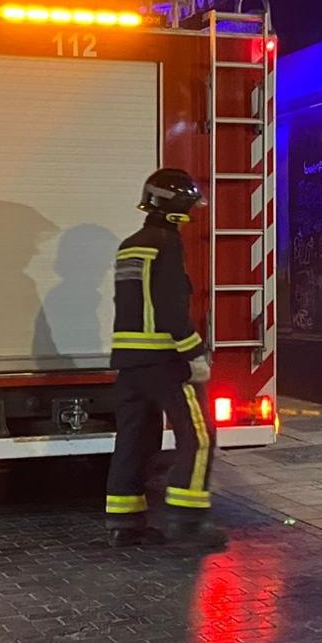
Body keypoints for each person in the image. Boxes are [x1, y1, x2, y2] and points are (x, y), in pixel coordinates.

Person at [105, 168, 224, 549]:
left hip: (129, 364)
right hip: (164, 362)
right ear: (177, 207)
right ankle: (187, 522)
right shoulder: (167, 244)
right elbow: (171, 308)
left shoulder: (129, 244)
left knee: (133, 440)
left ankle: (125, 524)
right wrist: (194, 353)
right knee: (200, 436)